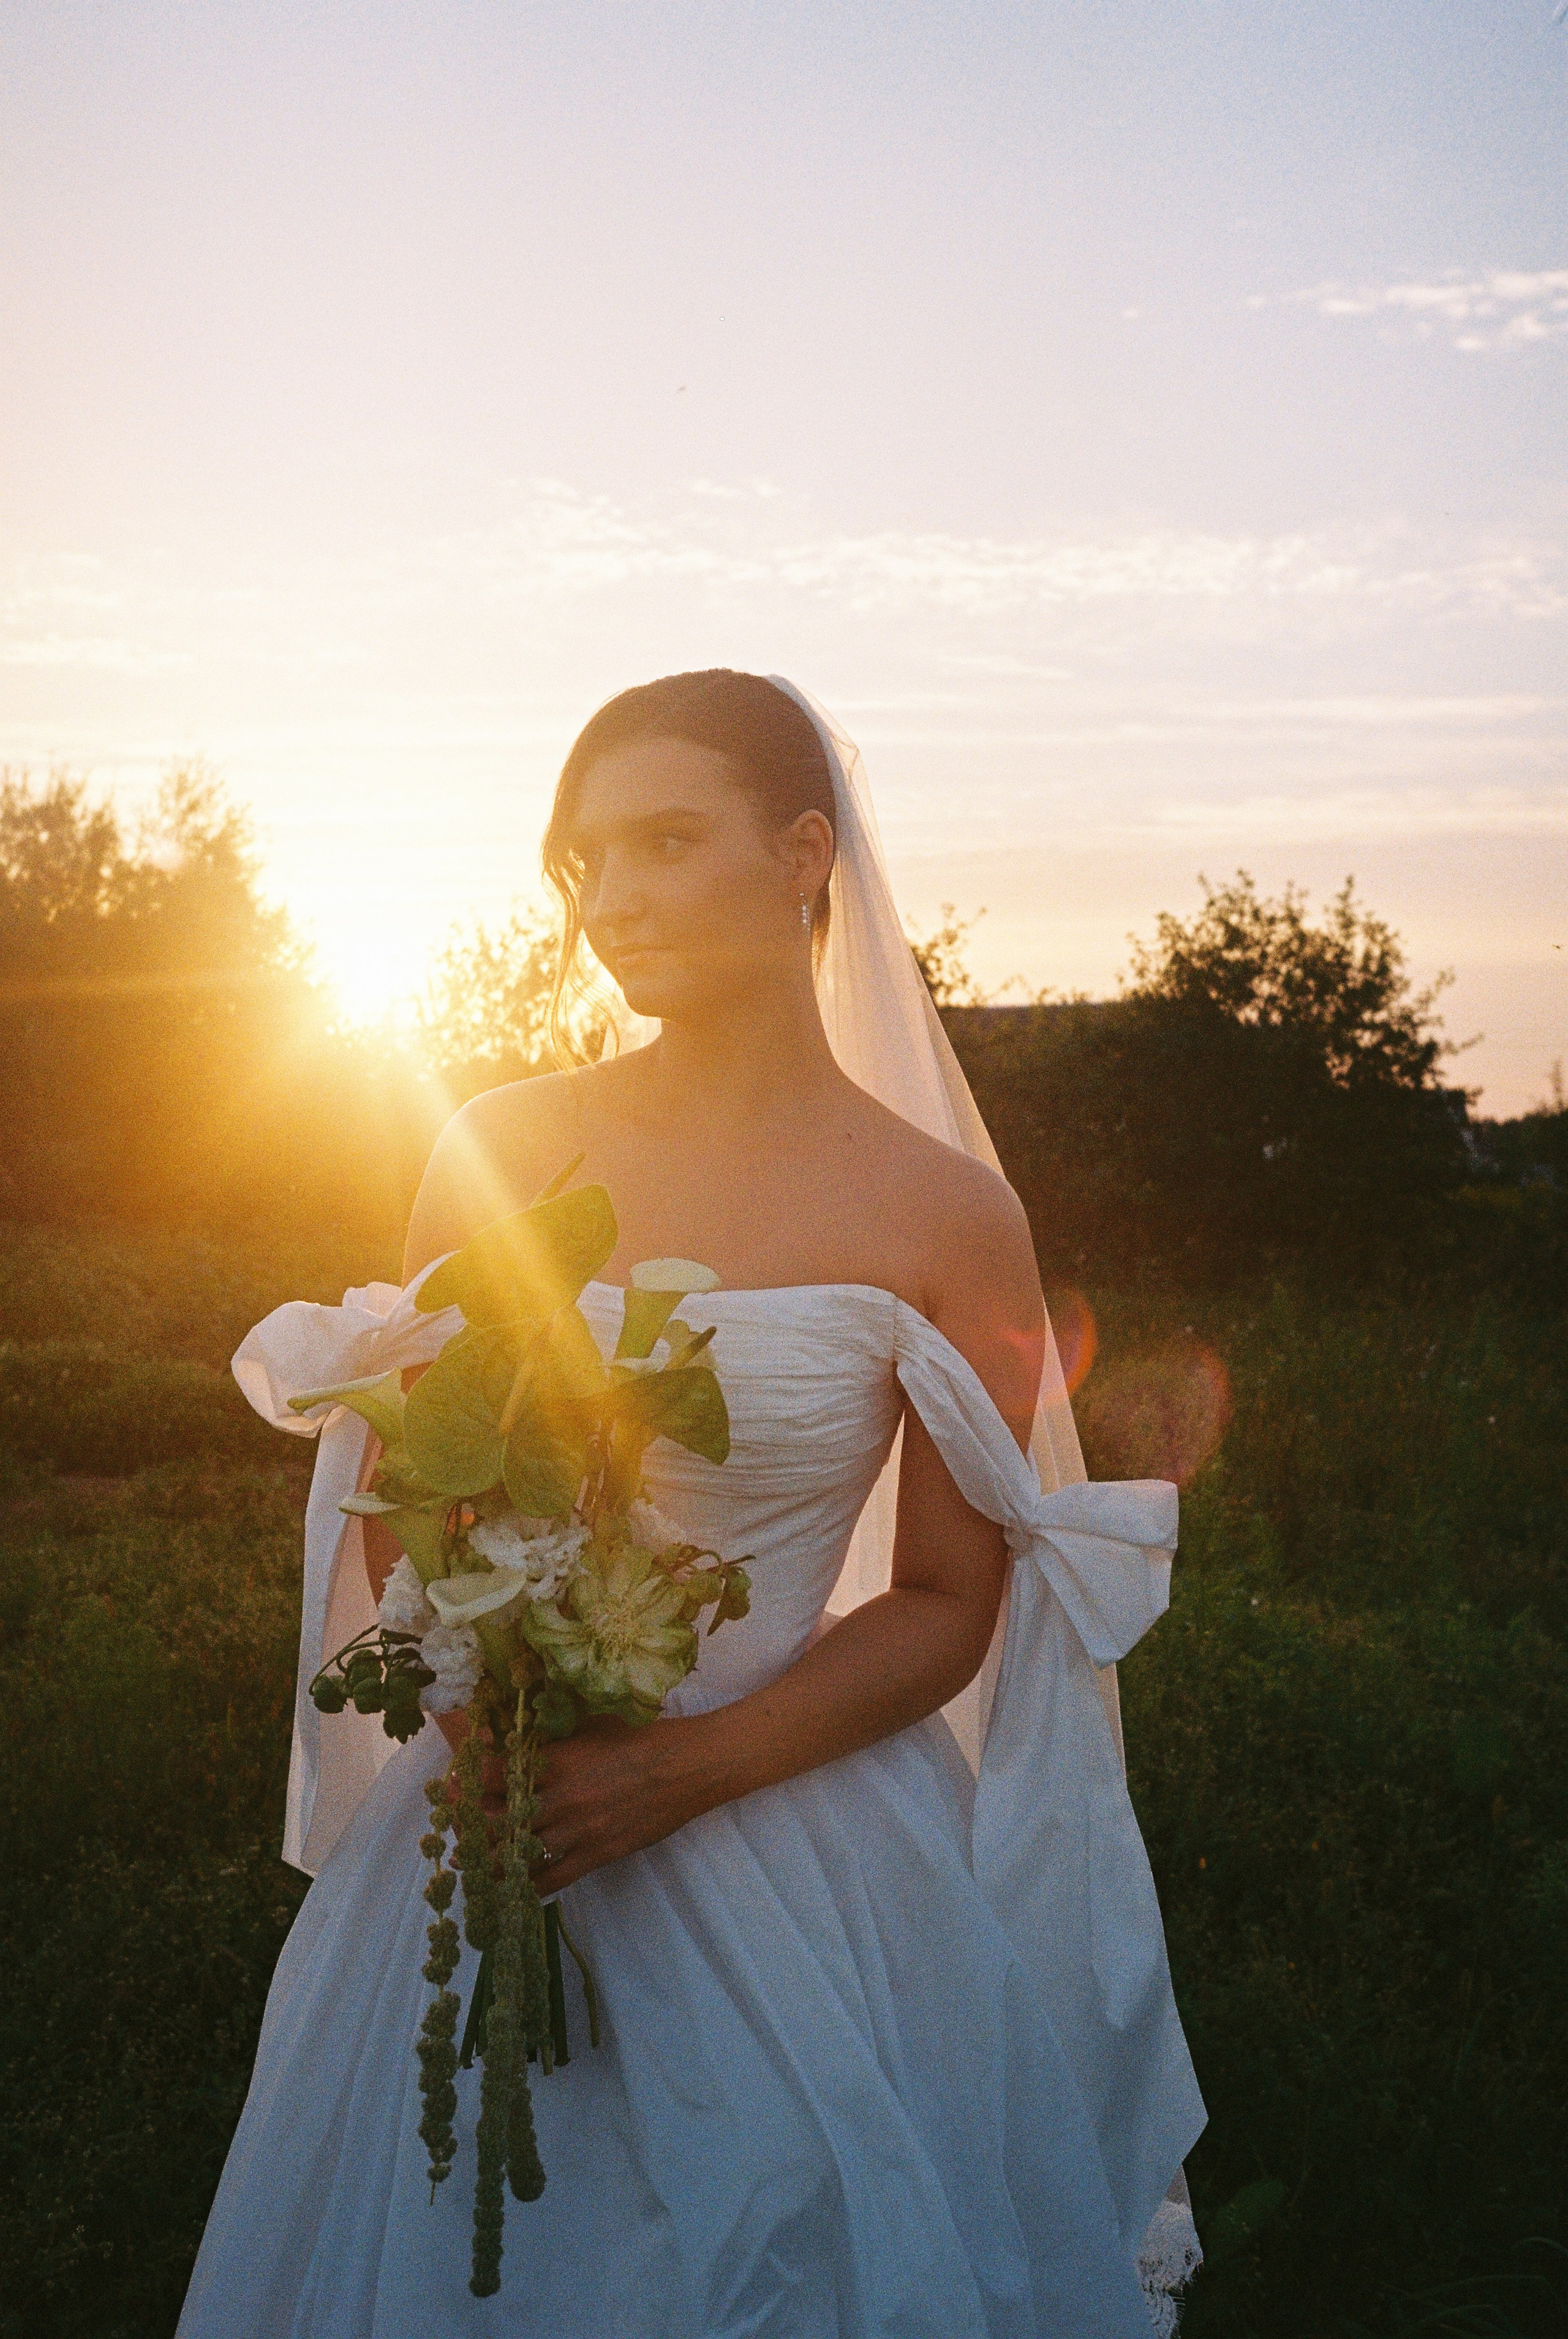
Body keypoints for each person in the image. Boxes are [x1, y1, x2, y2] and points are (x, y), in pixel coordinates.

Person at [186, 671, 1205, 2339]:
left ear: (805, 854)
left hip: (802, 1836)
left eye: (664, 841)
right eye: (581, 861)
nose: (612, 900)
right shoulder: (498, 1149)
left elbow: (955, 1599)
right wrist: (487, 1708)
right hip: (503, 1821)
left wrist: (677, 1768)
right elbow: (405, 1487)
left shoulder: (951, 1213)